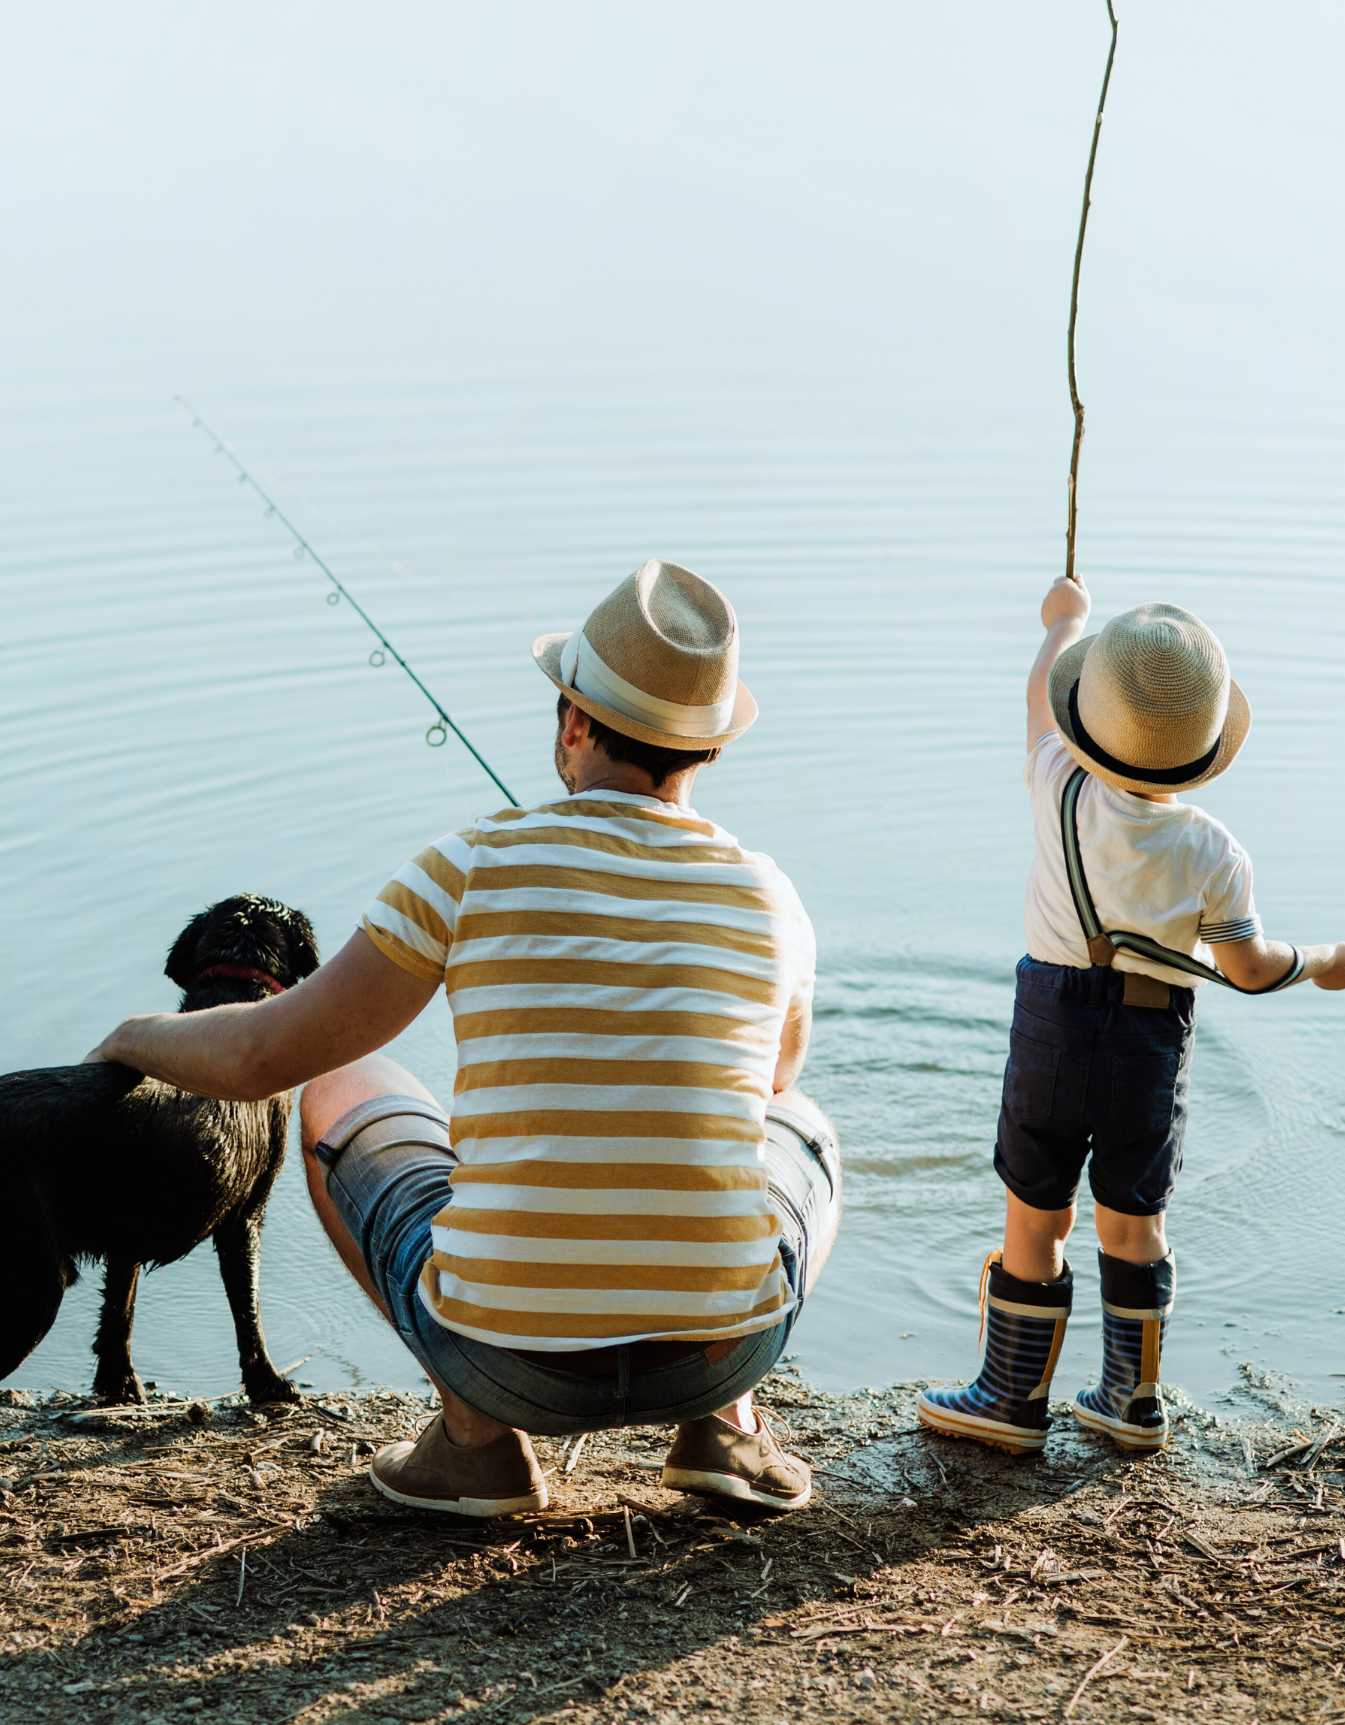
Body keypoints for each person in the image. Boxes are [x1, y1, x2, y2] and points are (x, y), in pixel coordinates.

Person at [89, 560, 840, 1516]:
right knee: (798, 1121)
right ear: (706, 748)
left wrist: (132, 1035)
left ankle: (476, 1443)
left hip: (500, 1360)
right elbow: (770, 1083)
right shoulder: (769, 895)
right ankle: (723, 1426)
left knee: (338, 1081)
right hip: (717, 1349)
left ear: (573, 721)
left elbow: (259, 1058)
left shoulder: (472, 861)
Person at [917, 574, 1345, 1455]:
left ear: (1090, 720)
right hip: (1149, 1037)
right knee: (1133, 1215)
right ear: (1201, 745)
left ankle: (1008, 1400)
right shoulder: (1213, 850)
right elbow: (1250, 969)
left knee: (1035, 1213)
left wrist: (1063, 621)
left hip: (1050, 1022)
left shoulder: (1055, 783)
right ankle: (1130, 1402)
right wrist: (1324, 963)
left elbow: (1036, 699)